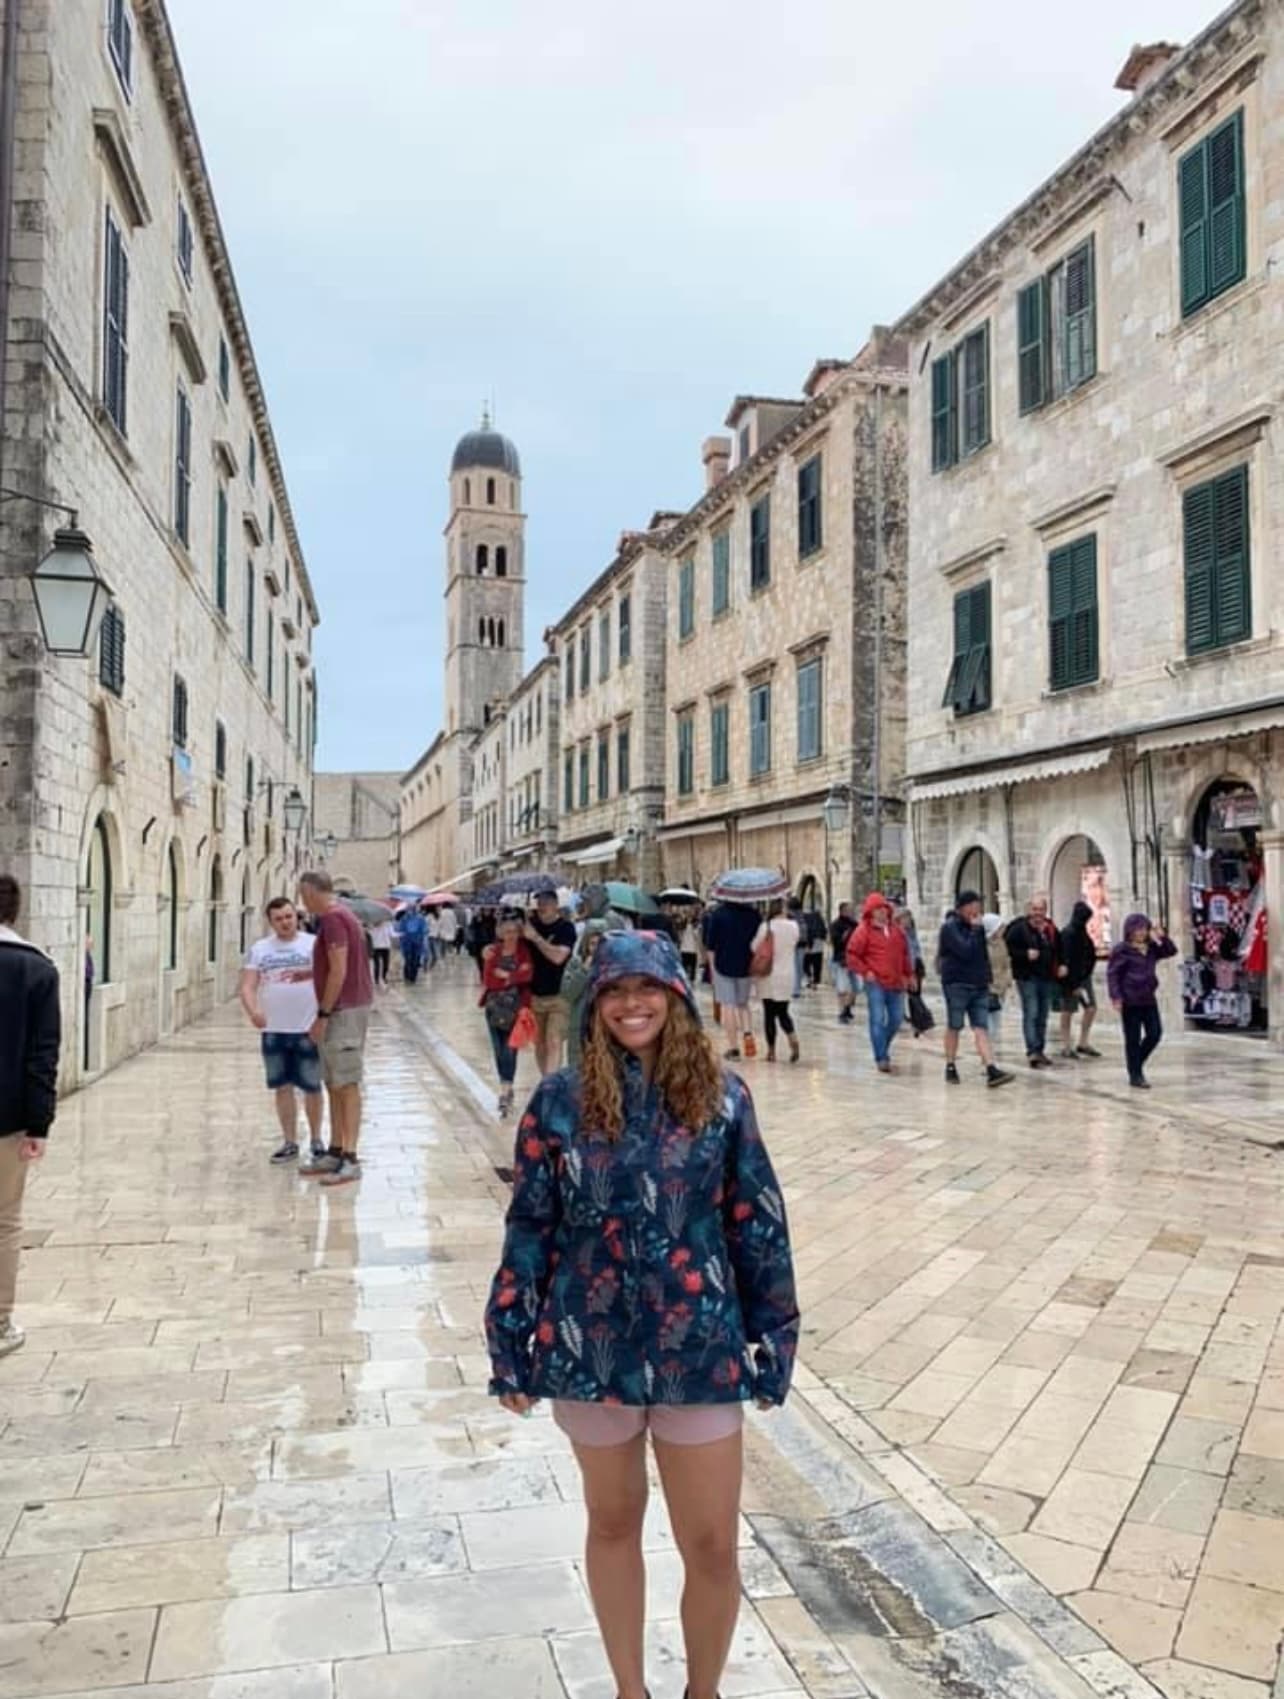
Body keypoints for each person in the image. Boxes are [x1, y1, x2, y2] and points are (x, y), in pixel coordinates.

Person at [485, 930, 798, 1699]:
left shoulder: (723, 1095)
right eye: (617, 991)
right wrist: (509, 1337)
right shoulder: (558, 1102)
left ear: (675, 997)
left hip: (699, 1343)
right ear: (596, 1003)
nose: (632, 1004)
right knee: (614, 1522)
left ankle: (704, 1691)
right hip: (592, 1347)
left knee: (713, 1544)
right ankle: (631, 1689)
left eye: (647, 989)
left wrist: (775, 1330)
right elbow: (531, 1224)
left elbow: (755, 1216)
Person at [0, 875, 60, 1359]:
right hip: (9, 1117)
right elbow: (42, 1055)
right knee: (4, 1222)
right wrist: (39, 1124)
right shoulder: (36, 970)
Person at [297, 871, 374, 1187]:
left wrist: (324, 1013)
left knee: (346, 1083)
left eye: (303, 895)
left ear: (312, 892)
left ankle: (351, 1157)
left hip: (343, 1011)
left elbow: (338, 969)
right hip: (343, 1009)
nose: (302, 901)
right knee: (334, 1081)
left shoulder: (332, 919)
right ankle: (336, 1148)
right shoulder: (340, 916)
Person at [239, 897, 326, 1164]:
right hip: (275, 1029)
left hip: (307, 1027)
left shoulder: (313, 944)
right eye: (279, 919)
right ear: (271, 921)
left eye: (289, 916)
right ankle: (289, 1141)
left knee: (312, 1086)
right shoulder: (260, 949)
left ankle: (316, 1139)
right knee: (283, 1087)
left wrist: (323, 1018)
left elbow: (328, 979)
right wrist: (254, 1011)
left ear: (296, 917)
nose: (285, 922)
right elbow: (247, 986)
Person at [937, 893, 1012, 1088]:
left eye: (978, 906)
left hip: (978, 985)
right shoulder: (950, 928)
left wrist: (988, 979)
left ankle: (991, 1069)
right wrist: (976, 930)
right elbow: (966, 951)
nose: (977, 910)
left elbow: (982, 955)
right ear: (962, 908)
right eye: (973, 906)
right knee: (955, 1025)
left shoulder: (976, 928)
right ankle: (950, 1064)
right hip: (957, 984)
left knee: (981, 1027)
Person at [1107, 914, 1178, 1089]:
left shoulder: (1151, 948)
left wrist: (1162, 936)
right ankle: (1136, 1075)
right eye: (1137, 929)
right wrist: (1116, 997)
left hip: (1148, 998)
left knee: (1155, 1033)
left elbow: (1170, 951)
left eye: (1144, 929)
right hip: (1130, 1000)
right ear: (1129, 931)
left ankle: (1136, 1062)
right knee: (1133, 1038)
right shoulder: (1121, 950)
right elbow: (1113, 975)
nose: (1141, 933)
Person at [846, 893, 913, 1074]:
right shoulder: (863, 931)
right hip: (875, 981)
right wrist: (865, 971)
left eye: (884, 908)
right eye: (878, 909)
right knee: (877, 1019)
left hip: (896, 981)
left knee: (896, 1018)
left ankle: (881, 1045)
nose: (882, 912)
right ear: (871, 912)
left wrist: (909, 975)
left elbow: (905, 954)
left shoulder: (897, 931)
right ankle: (882, 1057)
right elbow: (852, 954)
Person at [480, 913, 535, 1117]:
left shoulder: (524, 951)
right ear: (500, 933)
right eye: (507, 931)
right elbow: (489, 981)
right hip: (494, 1007)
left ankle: (506, 1088)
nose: (510, 935)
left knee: (510, 1049)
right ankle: (505, 1086)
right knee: (498, 1048)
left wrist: (507, 976)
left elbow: (528, 975)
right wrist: (514, 977)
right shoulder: (492, 952)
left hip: (517, 1008)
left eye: (514, 931)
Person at [1004, 894, 1066, 1069]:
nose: (1038, 913)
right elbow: (1007, 948)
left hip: (1046, 977)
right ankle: (1032, 1051)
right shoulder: (1018, 928)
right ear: (1029, 910)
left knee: (1042, 1015)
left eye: (1041, 909)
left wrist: (1062, 964)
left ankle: (1039, 1049)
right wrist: (1025, 954)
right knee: (1031, 1012)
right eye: (1035, 909)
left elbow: (1059, 949)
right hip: (1027, 977)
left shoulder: (1050, 928)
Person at [523, 887, 578, 1075]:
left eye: (546, 902)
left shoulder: (566, 928)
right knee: (539, 1044)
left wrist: (536, 939)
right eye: (539, 902)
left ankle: (551, 1084)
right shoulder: (529, 925)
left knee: (554, 1041)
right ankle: (546, 1079)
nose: (541, 906)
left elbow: (558, 958)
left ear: (555, 905)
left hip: (560, 995)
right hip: (535, 995)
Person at [705, 899, 762, 1060]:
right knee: (743, 1004)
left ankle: (733, 1048)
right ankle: (748, 1033)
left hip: (723, 966)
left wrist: (712, 969)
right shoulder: (753, 915)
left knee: (728, 1006)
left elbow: (711, 946)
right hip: (746, 966)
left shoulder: (718, 915)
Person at [753, 899, 801, 1063]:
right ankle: (792, 1038)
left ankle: (771, 1051)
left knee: (769, 1013)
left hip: (768, 974)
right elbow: (795, 943)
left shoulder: (766, 927)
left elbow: (754, 947)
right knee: (783, 1011)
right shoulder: (794, 926)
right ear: (783, 909)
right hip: (787, 974)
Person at [560, 920, 608, 1070]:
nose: (596, 949)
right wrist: (584, 971)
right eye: (593, 944)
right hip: (579, 1028)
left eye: (601, 944)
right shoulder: (576, 963)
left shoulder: (615, 966)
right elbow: (567, 993)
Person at [1056, 900, 1101, 1060]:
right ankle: (1066, 1045)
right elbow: (1065, 959)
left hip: (1083, 978)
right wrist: (1072, 983)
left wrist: (1086, 973)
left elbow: (1089, 956)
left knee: (1091, 1007)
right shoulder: (1068, 934)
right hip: (1069, 980)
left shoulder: (1083, 934)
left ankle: (1083, 1042)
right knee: (1068, 1011)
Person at [829, 901, 857, 1025]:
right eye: (849, 910)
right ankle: (842, 1011)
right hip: (841, 959)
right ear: (842, 911)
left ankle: (847, 1008)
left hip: (856, 959)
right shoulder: (835, 925)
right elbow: (835, 942)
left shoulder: (856, 924)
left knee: (856, 987)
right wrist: (844, 937)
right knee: (842, 987)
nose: (851, 912)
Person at [398, 905, 428, 984]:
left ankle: (412, 978)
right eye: (409, 909)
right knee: (408, 960)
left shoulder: (420, 918)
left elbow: (425, 930)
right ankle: (408, 976)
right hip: (407, 943)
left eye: (412, 909)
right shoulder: (404, 919)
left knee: (415, 961)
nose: (411, 911)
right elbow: (400, 931)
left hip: (417, 943)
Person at [803, 907, 826, 991]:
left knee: (806, 964)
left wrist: (808, 944)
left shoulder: (806, 919)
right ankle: (815, 982)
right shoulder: (820, 920)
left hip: (809, 946)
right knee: (817, 965)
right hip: (818, 946)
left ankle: (810, 979)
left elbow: (807, 932)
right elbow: (824, 932)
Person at [369, 914, 395, 988]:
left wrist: (401, 934)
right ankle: (376, 979)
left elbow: (392, 934)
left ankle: (384, 977)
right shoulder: (373, 924)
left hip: (386, 946)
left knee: (386, 964)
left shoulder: (388, 924)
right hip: (376, 947)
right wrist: (374, 927)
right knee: (377, 965)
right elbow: (370, 934)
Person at [677, 910, 700, 983]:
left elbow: (680, 938)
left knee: (684, 967)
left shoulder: (682, 928)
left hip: (684, 950)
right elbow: (697, 937)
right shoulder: (695, 928)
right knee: (692, 968)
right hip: (692, 950)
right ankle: (691, 981)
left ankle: (683, 980)